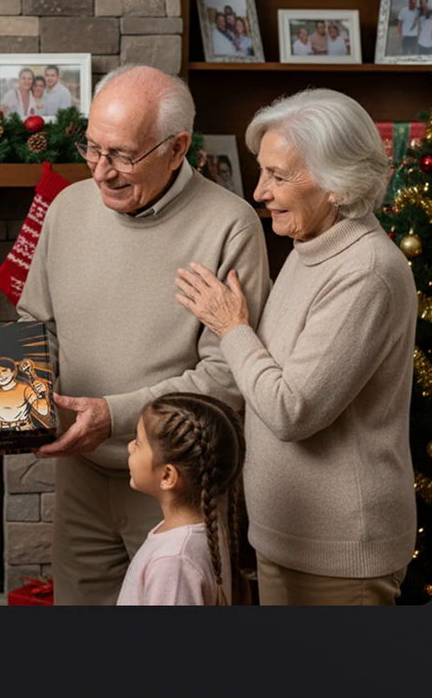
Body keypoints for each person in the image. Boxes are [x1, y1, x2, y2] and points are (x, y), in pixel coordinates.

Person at [16, 64, 270, 605]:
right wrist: (4, 407)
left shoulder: (230, 225)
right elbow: (39, 328)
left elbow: (227, 377)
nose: (100, 171)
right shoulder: (66, 208)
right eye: (92, 148)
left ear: (177, 149)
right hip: (80, 474)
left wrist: (113, 415)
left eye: (122, 156)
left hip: (179, 485)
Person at [175, 88, 417, 605]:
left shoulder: (366, 272)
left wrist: (231, 327)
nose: (259, 192)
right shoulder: (308, 248)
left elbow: (292, 411)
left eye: (278, 176)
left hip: (341, 553)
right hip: (284, 536)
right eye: (262, 172)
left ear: (338, 184)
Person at [117, 394, 245, 606]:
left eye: (138, 443)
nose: (130, 447)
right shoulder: (207, 527)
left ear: (167, 476)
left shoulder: (173, 562)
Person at [0, 357, 50, 431]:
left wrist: (42, 394)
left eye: (4, 371)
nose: (0, 376)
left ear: (13, 372)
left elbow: (43, 411)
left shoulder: (25, 389)